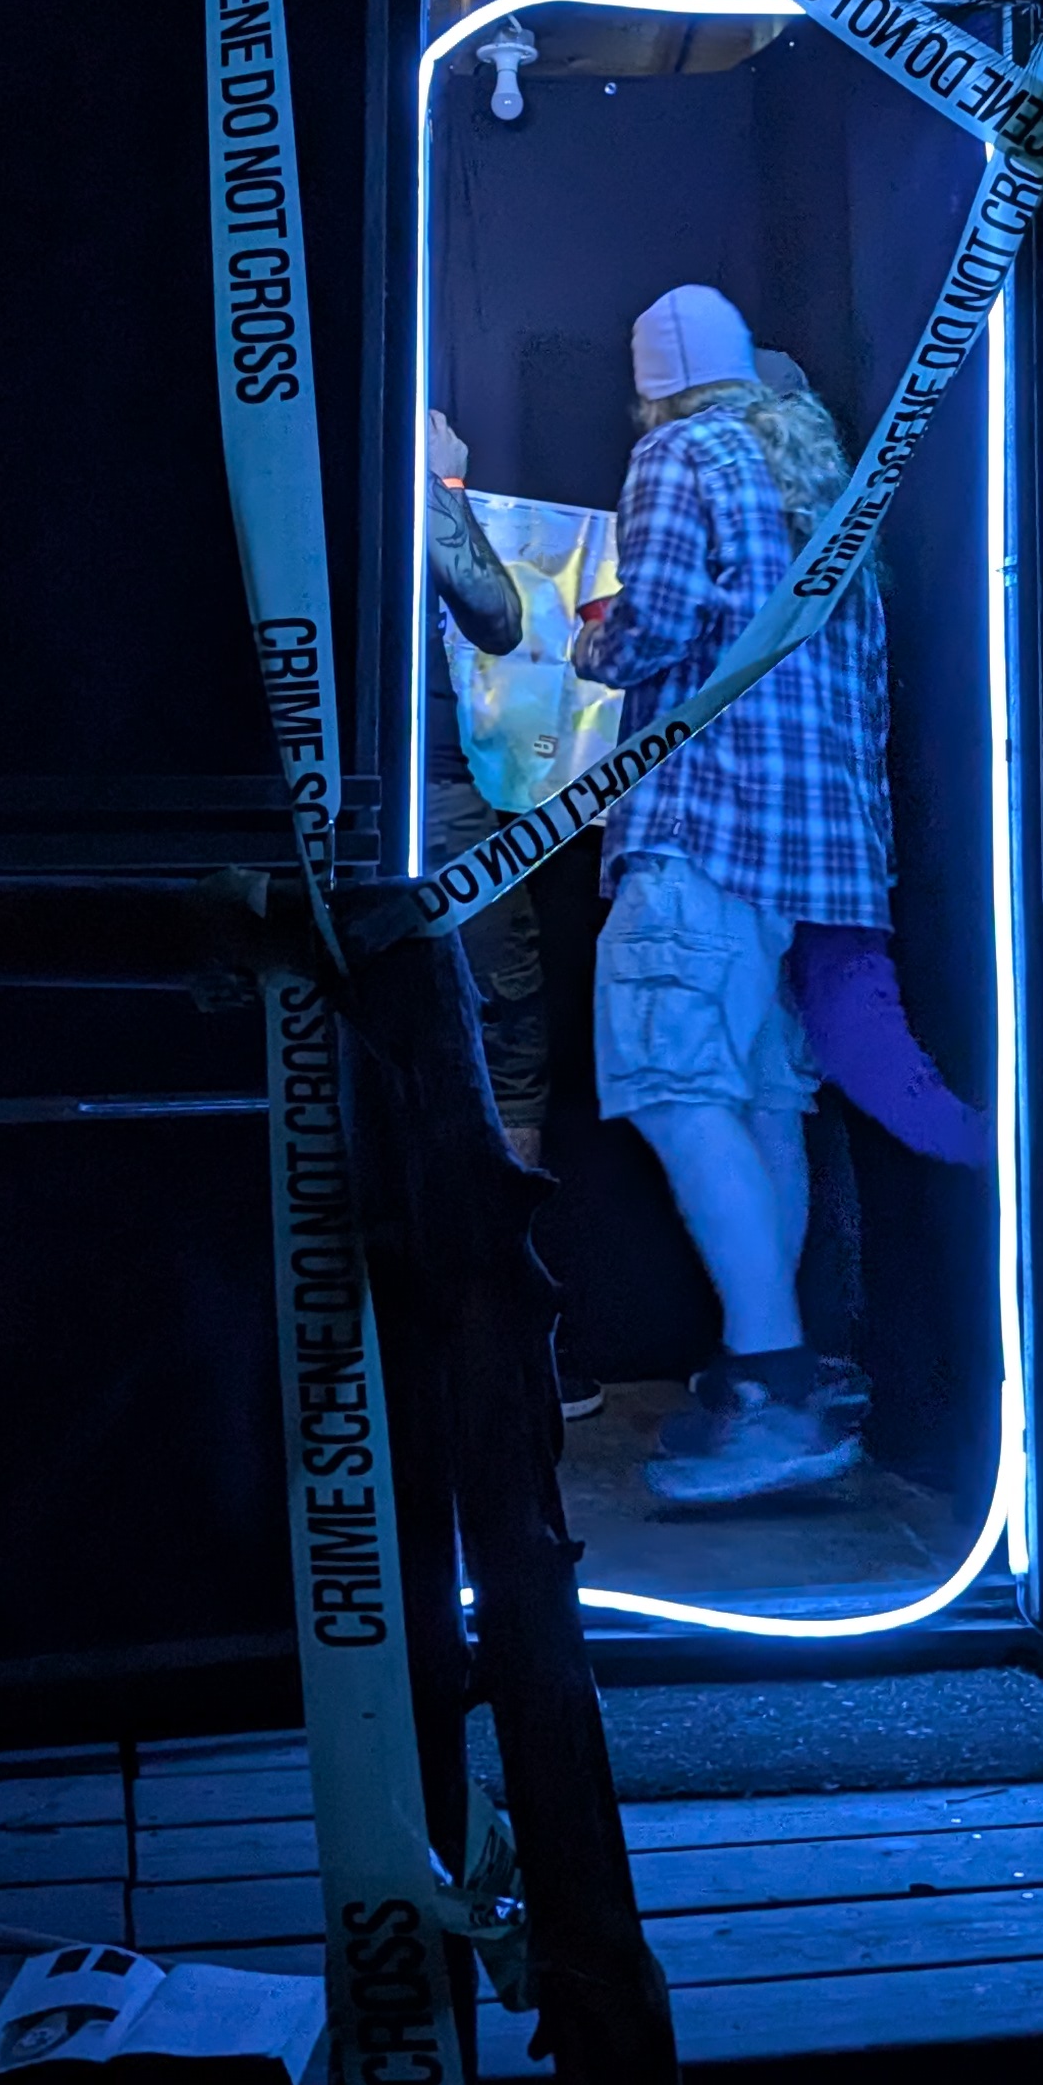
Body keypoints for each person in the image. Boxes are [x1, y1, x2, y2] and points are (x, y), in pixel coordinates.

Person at [569, 284, 892, 1507]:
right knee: (761, 1105)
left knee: (672, 1081)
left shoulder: (679, 451)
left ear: (653, 378)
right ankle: (780, 1374)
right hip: (819, 856)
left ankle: (773, 1386)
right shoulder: (817, 462)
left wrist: (587, 634)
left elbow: (650, 625)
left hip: (703, 825)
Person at [424, 407, 598, 1416]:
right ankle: (514, 1351)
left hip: (333, 811)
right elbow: (494, 609)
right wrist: (441, 486)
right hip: (438, 820)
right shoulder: (397, 468)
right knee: (507, 1046)